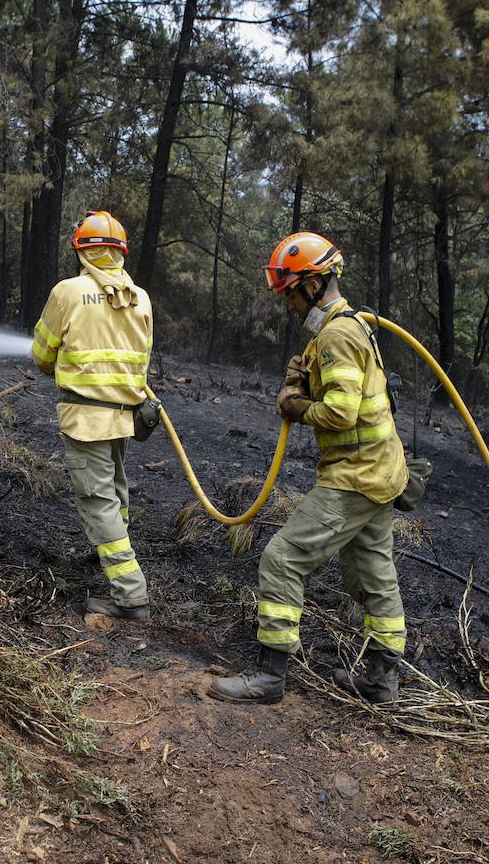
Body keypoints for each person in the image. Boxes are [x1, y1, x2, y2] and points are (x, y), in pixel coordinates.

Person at [208, 232, 408, 704]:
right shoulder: (348, 327)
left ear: (314, 284)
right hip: (382, 472)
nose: (290, 305)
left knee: (282, 558)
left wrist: (295, 405)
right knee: (372, 576)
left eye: (292, 293)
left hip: (355, 476)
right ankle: (381, 681)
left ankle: (270, 677)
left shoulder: (337, 335)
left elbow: (340, 413)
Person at [31, 211, 154, 619]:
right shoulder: (140, 297)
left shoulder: (68, 291)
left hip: (86, 418)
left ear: (82, 251)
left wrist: (60, 360)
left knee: (97, 501)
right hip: (123, 416)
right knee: (116, 492)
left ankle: (130, 596)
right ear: (120, 251)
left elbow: (42, 355)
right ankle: (110, 553)